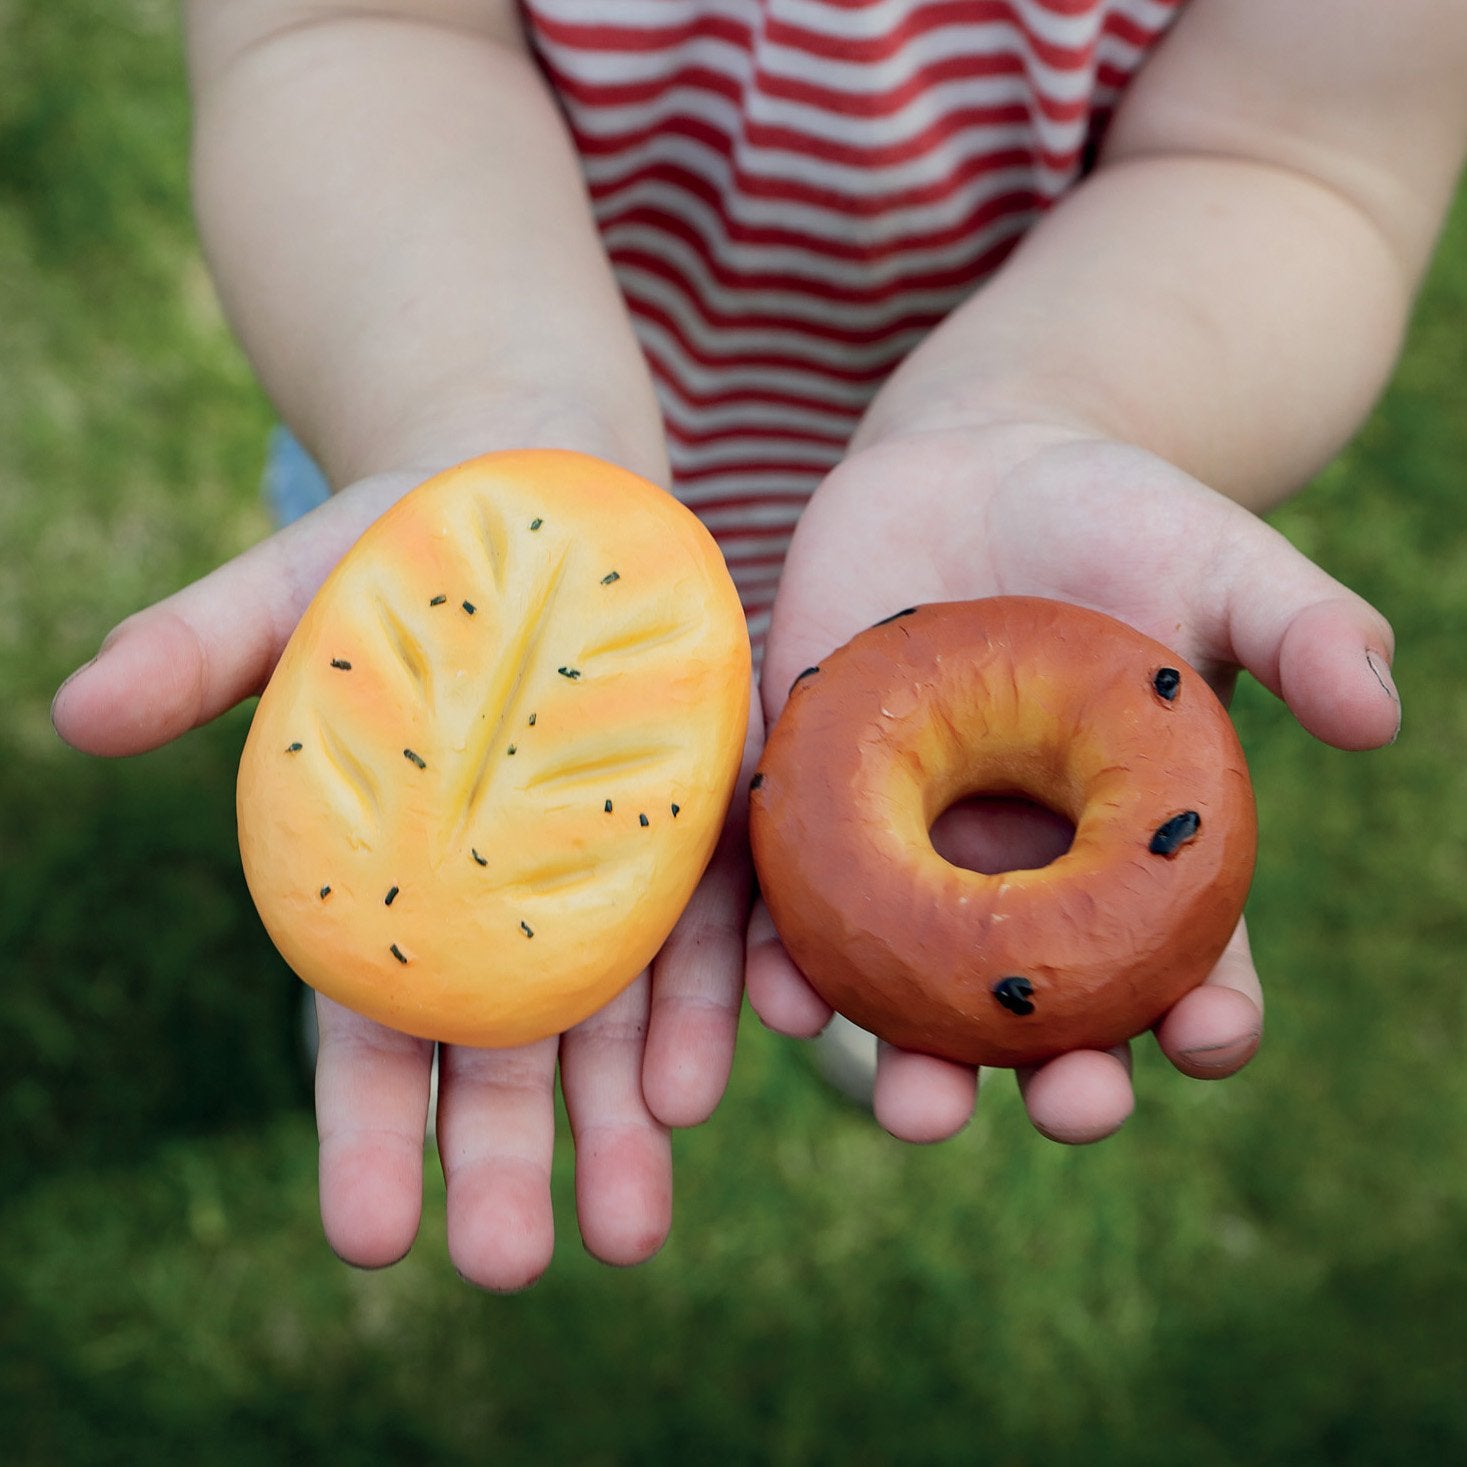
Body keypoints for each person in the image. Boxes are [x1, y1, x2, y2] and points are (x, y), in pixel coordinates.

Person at [49, 0, 1467, 1291]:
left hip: (976, 536)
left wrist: (1040, 403)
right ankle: (417, 959)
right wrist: (471, 397)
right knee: (416, 788)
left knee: (855, 910)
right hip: (463, 471)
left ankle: (850, 966)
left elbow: (1296, 159)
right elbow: (345, 32)